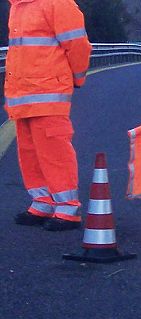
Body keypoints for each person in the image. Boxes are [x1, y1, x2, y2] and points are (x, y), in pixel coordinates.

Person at [5, 0, 91, 231]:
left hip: (48, 93)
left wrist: (77, 78)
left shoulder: (57, 3)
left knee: (54, 151)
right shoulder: (18, 6)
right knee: (30, 152)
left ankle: (68, 207)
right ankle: (42, 201)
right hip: (22, 95)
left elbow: (78, 45)